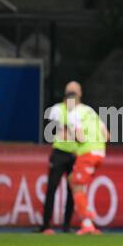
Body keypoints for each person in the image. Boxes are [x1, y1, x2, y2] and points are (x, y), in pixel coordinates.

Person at [39, 81, 80, 234]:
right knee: (52, 188)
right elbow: (54, 128)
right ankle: (46, 225)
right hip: (59, 153)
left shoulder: (79, 112)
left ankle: (66, 226)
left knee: (72, 190)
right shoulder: (57, 109)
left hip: (74, 154)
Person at [68, 93, 109, 235]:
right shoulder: (90, 111)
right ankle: (87, 215)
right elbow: (106, 134)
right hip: (100, 153)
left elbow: (79, 136)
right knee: (76, 181)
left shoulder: (73, 112)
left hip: (87, 153)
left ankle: (87, 221)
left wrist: (77, 145)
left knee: (77, 186)